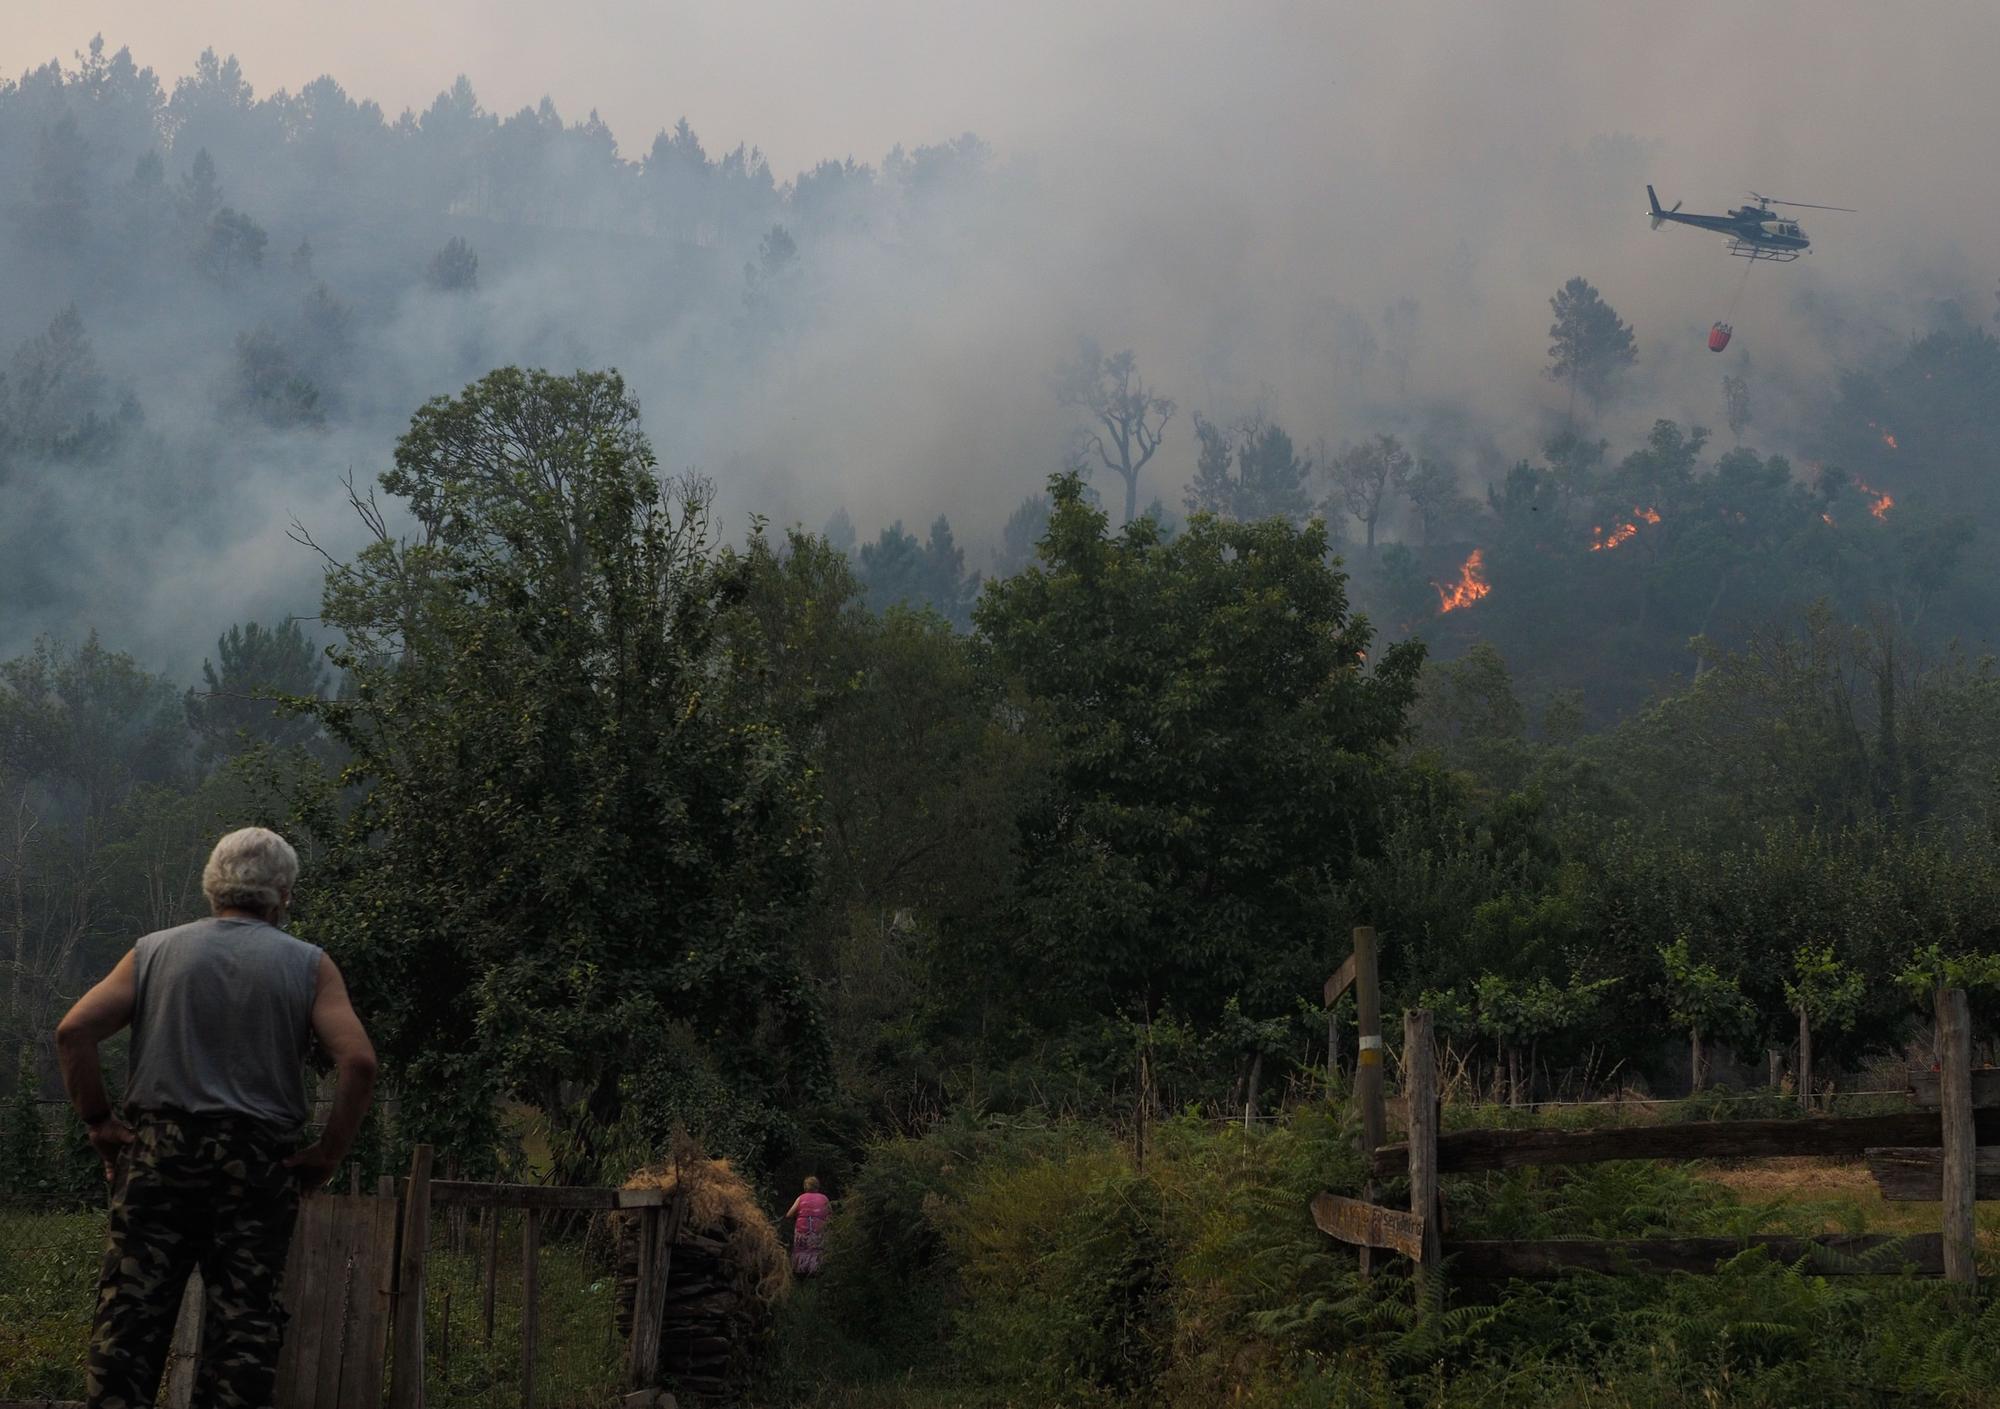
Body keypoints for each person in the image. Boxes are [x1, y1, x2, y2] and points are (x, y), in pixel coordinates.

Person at [55, 826, 378, 1409]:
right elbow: (358, 1061)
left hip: (158, 1158)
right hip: (257, 1166)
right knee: (244, 1332)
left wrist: (101, 1124)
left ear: (211, 887)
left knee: (129, 1325)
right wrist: (325, 1157)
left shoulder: (153, 951)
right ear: (284, 895)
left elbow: (73, 1031)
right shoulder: (310, 965)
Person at [783, 1176, 830, 1277]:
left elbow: (789, 1214)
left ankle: (800, 1272)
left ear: (805, 1187)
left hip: (802, 1232)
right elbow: (830, 1215)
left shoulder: (801, 1198)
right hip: (818, 1232)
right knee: (817, 1249)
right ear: (817, 1186)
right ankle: (816, 1272)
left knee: (801, 1250)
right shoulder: (824, 1198)